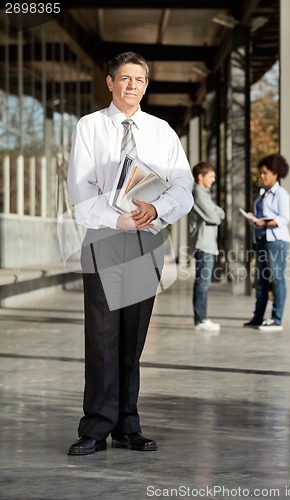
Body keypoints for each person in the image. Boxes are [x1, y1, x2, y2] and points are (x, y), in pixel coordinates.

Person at [67, 52, 193, 455]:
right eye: (125, 78)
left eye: (139, 80)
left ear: (145, 85)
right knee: (102, 337)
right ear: (110, 82)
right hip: (105, 237)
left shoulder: (162, 132)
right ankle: (95, 427)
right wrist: (117, 219)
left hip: (147, 239)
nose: (132, 86)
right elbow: (80, 188)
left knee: (133, 339)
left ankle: (127, 424)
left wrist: (157, 209)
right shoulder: (90, 127)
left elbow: (183, 187)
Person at [243, 153, 290, 332]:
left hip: (276, 241)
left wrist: (264, 223)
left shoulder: (281, 194)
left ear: (276, 173)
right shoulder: (262, 194)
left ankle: (276, 319)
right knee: (261, 280)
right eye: (260, 173)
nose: (262, 176)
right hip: (262, 240)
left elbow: (284, 218)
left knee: (277, 280)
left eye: (265, 173)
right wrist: (253, 219)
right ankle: (258, 317)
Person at [189, 162, 225, 332]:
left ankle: (201, 318)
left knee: (204, 283)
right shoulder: (198, 193)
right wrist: (217, 212)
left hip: (208, 244)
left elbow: (218, 212)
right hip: (204, 244)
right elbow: (215, 216)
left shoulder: (204, 193)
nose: (213, 179)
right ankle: (200, 319)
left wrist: (217, 211)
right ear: (200, 176)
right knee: (203, 283)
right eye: (211, 176)